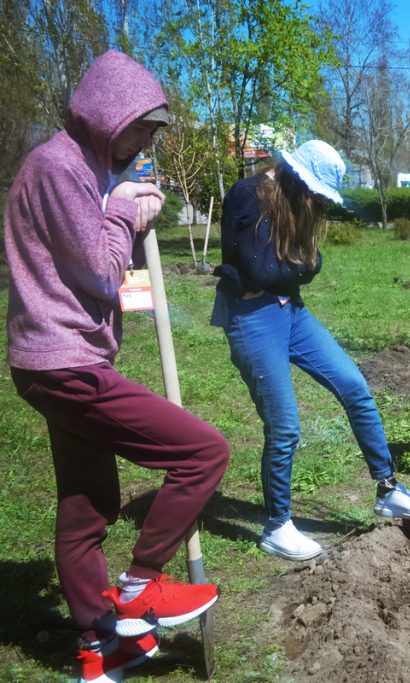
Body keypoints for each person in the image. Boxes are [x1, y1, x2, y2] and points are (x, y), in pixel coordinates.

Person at [3, 50, 228, 682]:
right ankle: (139, 588)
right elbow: (101, 274)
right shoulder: (58, 168)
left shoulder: (79, 167)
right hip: (66, 360)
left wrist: (119, 201)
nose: (144, 143)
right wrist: (125, 211)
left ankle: (99, 650)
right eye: (142, 128)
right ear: (110, 115)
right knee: (203, 452)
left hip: (53, 359)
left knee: (87, 504)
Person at [211, 139, 410, 562]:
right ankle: (277, 525)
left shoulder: (293, 201)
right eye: (314, 189)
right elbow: (262, 268)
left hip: (292, 313)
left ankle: (387, 489)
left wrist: (294, 269)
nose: (316, 200)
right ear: (297, 175)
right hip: (252, 319)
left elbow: (301, 268)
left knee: (355, 386)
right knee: (285, 426)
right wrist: (298, 267)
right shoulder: (248, 193)